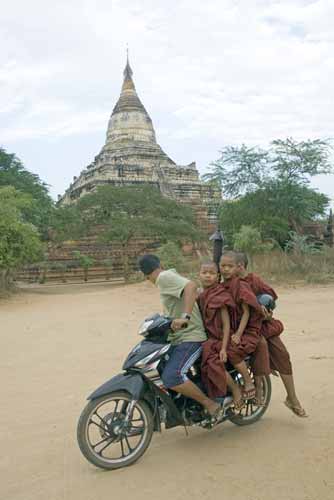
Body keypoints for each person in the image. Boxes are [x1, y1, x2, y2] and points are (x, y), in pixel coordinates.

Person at [138, 254, 224, 419]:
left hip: (191, 337)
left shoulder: (163, 277)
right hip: (179, 337)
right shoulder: (168, 276)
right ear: (160, 263)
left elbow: (191, 286)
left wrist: (185, 317)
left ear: (146, 275)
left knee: (172, 376)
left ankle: (210, 404)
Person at [235, 252, 307, 418]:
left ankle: (292, 398)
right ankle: (258, 386)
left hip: (262, 324)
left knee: (282, 356)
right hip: (241, 327)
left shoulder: (254, 280)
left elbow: (270, 297)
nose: (225, 269)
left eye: (230, 266)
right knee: (260, 345)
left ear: (239, 265)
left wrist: (267, 312)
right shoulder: (230, 282)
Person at [198, 261, 245, 411]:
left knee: (213, 362)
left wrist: (223, 349)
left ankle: (235, 389)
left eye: (211, 273)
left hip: (222, 338)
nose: (207, 276)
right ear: (199, 275)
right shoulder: (200, 294)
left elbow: (226, 325)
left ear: (217, 276)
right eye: (204, 272)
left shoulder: (219, 295)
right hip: (208, 338)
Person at [219, 252, 265, 400]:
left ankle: (248, 381)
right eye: (223, 266)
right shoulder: (220, 285)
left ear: (237, 268)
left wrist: (238, 334)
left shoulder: (241, 285)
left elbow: (246, 312)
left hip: (245, 330)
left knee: (232, 351)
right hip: (228, 328)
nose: (226, 269)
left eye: (229, 266)